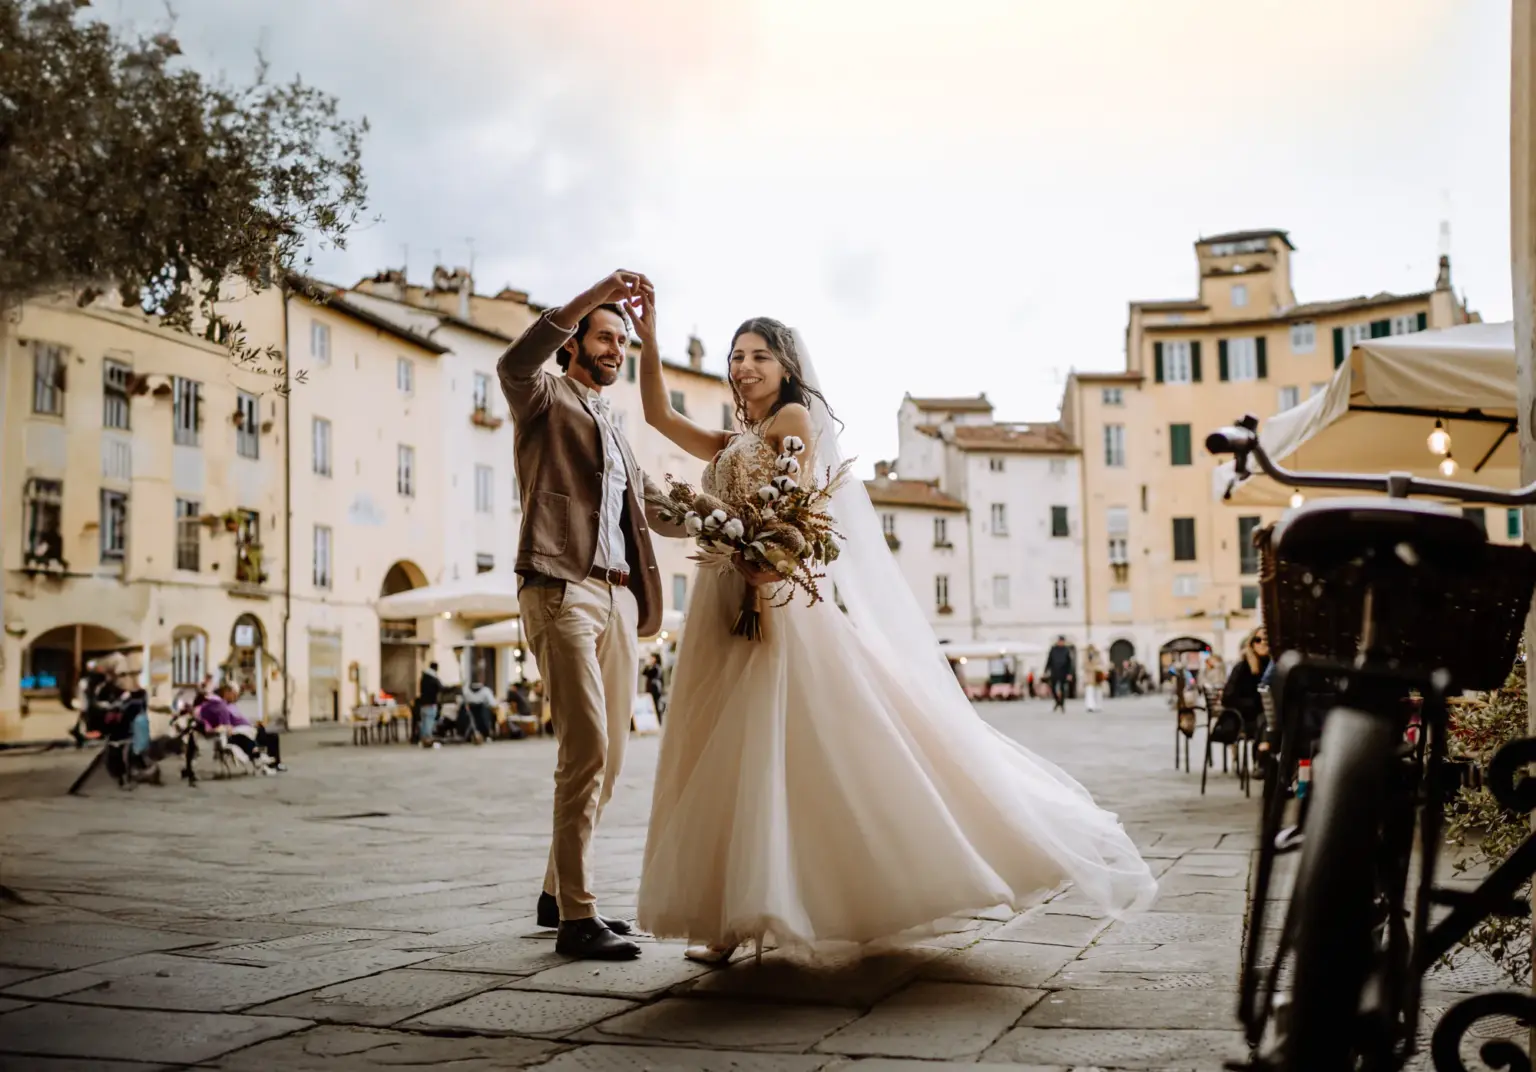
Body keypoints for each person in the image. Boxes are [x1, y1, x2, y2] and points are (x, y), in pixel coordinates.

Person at [630, 298, 1156, 964]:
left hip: (772, 597)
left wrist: (769, 554)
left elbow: (793, 503)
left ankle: (756, 911)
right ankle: (728, 916)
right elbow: (657, 416)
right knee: (718, 744)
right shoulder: (736, 435)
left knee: (767, 738)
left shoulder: (792, 418)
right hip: (720, 595)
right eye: (737, 356)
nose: (744, 366)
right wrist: (649, 338)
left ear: (787, 365)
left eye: (759, 355)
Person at [496, 269, 685, 961]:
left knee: (612, 761)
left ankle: (555, 891)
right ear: (571, 344)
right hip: (560, 586)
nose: (616, 349)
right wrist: (599, 289)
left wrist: (736, 521)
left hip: (619, 596)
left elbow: (656, 511)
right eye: (605, 337)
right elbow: (513, 358)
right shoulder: (542, 395)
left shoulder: (613, 423)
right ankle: (579, 918)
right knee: (587, 749)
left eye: (623, 341)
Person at [196, 683, 286, 772]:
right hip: (241, 733)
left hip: (247, 729)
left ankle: (274, 763)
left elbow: (241, 719)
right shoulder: (223, 707)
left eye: (236, 695)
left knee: (273, 736)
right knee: (266, 734)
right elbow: (227, 724)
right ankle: (266, 760)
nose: (235, 697)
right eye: (234, 694)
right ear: (227, 693)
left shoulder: (232, 705)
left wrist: (251, 724)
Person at [1045, 637, 1075, 712]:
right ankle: (1058, 702)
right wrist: (1045, 670)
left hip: (1063, 672)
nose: (1061, 643)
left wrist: (1070, 674)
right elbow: (1049, 660)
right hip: (1054, 671)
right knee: (1052, 688)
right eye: (1060, 641)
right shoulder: (1053, 649)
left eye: (1062, 641)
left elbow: (1069, 663)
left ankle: (1061, 703)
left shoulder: (1066, 650)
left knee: (1062, 688)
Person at [418, 662, 443, 748]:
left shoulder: (423, 677)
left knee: (424, 723)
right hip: (431, 703)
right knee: (429, 722)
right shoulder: (433, 678)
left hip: (423, 704)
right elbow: (441, 688)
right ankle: (428, 740)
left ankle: (423, 740)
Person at [642, 654, 665, 721]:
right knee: (652, 705)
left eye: (652, 658)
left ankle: (657, 720)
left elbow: (648, 673)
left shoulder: (656, 668)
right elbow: (644, 673)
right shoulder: (653, 667)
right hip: (652, 689)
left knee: (655, 705)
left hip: (655, 689)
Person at [1082, 646, 1105, 713]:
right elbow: (1084, 665)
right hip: (1089, 676)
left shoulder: (1098, 655)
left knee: (1098, 691)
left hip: (1097, 675)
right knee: (1089, 690)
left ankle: (1098, 705)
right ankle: (1090, 705)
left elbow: (1102, 664)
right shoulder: (1085, 656)